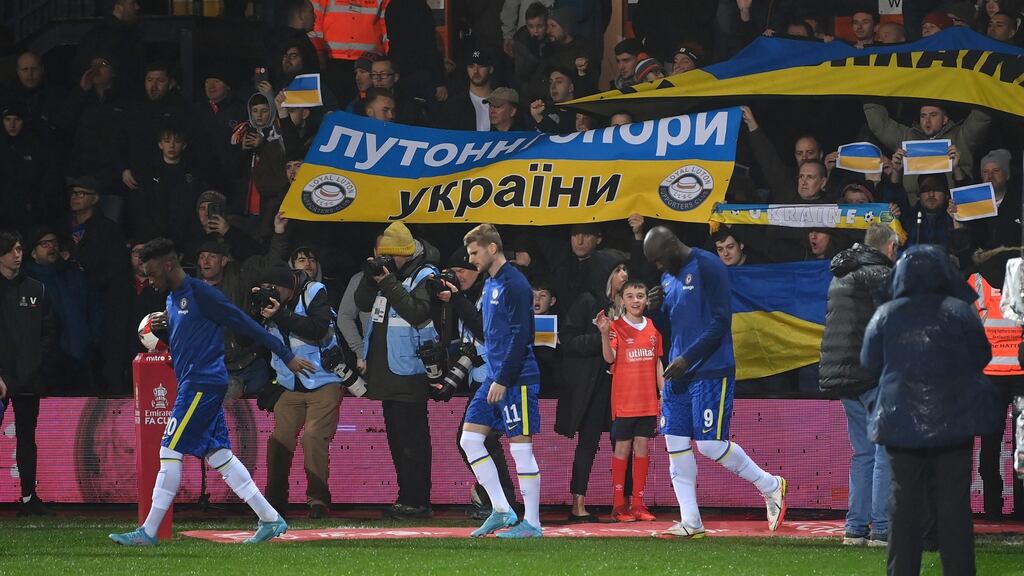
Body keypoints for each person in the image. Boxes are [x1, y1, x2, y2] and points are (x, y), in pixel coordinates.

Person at [109, 238, 315, 546]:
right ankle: (270, 519)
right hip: (196, 382)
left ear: (168, 265)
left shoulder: (202, 294)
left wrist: (284, 354)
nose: (148, 279)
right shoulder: (171, 299)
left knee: (169, 449)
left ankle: (148, 532)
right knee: (219, 454)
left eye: (151, 272)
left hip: (202, 384)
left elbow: (245, 323)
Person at [861, 244, 1001, 576]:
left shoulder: (886, 313)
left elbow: (870, 363)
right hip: (954, 423)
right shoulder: (960, 311)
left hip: (898, 423)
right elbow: (982, 356)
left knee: (903, 509)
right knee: (954, 509)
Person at [643, 225, 787, 538]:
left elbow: (721, 321)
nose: (658, 267)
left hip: (710, 368)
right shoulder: (668, 278)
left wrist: (687, 358)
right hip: (679, 371)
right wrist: (655, 313)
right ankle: (691, 521)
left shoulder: (709, 266)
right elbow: (673, 326)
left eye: (658, 259)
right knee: (675, 443)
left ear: (671, 245)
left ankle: (770, 485)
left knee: (709, 444)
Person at [460, 223, 544, 538]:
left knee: (521, 451)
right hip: (497, 377)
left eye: (474, 252)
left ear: (492, 248)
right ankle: (501, 509)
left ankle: (533, 524)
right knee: (469, 441)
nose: (471, 259)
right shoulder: (491, 283)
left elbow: (523, 336)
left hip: (516, 379)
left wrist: (504, 379)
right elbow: (489, 333)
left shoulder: (515, 284)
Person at [819, 224, 899, 547]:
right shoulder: (881, 274)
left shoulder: (841, 271)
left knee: (863, 452)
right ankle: (881, 529)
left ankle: (854, 530)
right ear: (890, 247)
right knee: (884, 451)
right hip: (871, 374)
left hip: (841, 375)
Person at [354, 221, 440, 519]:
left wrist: (387, 281)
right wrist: (371, 278)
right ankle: (406, 498)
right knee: (397, 440)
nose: (388, 260)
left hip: (410, 370)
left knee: (413, 442)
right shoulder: (390, 275)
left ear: (404, 253)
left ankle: (418, 501)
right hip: (386, 371)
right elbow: (362, 303)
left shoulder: (426, 275)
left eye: (392, 255)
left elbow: (417, 311)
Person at [257, 263, 343, 520]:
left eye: (273, 289)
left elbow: (317, 329)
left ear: (286, 287)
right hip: (289, 384)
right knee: (279, 440)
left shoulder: (314, 291)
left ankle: (318, 501)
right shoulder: (262, 304)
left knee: (313, 437)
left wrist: (280, 314)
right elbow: (247, 340)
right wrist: (254, 314)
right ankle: (272, 504)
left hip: (324, 380)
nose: (269, 294)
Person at [556, 253, 628, 522]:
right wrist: (601, 339)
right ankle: (578, 504)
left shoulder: (626, 304)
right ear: (606, 273)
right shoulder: (588, 301)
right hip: (593, 387)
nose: (624, 274)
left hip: (621, 385)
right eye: (619, 269)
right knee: (588, 443)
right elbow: (568, 339)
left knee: (623, 443)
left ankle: (624, 503)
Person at [0, 230, 57, 516]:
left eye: (20, 249)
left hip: (27, 378)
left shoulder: (37, 289)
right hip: (0, 380)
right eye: (12, 250)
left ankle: (28, 497)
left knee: (26, 438)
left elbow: (48, 334)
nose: (18, 254)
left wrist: (33, 364)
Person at [597, 279, 663, 522]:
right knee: (622, 449)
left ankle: (638, 503)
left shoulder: (653, 328)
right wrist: (605, 334)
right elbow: (609, 357)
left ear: (647, 300)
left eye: (640, 295)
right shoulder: (615, 327)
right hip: (625, 402)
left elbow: (657, 362)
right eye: (631, 296)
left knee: (642, 449)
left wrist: (663, 392)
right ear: (622, 300)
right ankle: (618, 506)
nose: (636, 300)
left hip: (648, 402)